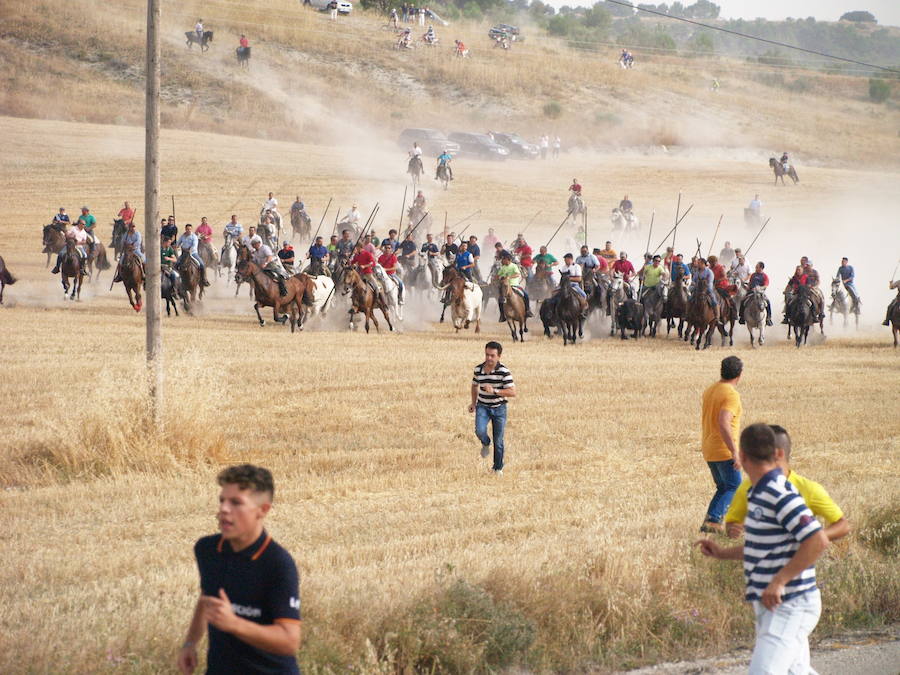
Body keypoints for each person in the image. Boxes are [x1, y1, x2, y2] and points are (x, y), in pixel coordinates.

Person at [696, 424, 829, 675]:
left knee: (764, 672)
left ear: (742, 456)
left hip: (790, 602)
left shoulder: (778, 493)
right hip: (774, 603)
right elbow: (763, 547)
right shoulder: (757, 493)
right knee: (795, 671)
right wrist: (723, 553)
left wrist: (779, 581)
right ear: (777, 454)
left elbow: (816, 540)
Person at [176, 465, 301, 675]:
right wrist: (190, 643)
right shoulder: (207, 550)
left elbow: (289, 641)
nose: (224, 509)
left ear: (263, 510)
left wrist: (234, 623)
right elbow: (208, 596)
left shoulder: (277, 564)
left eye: (236, 503)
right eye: (222, 500)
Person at [725, 425, 850, 542]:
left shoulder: (809, 489)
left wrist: (813, 537)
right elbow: (731, 525)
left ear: (777, 454)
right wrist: (735, 530)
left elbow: (842, 525)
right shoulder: (747, 487)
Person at [698, 356, 743, 533]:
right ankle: (714, 520)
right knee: (734, 487)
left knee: (724, 487)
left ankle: (709, 523)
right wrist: (734, 451)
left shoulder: (711, 390)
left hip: (709, 448)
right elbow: (724, 422)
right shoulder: (731, 394)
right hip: (723, 450)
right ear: (740, 374)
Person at [469, 341, 516, 475]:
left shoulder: (504, 372)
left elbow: (512, 392)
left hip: (499, 408)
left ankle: (497, 468)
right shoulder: (478, 369)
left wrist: (495, 391)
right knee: (479, 431)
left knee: (499, 440)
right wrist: (473, 403)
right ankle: (485, 442)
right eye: (487, 355)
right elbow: (474, 386)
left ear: (499, 356)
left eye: (492, 356)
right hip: (482, 406)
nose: (489, 358)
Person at [496, 252, 532, 321]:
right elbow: (498, 275)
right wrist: (496, 278)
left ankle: (527, 310)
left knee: (526, 295)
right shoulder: (503, 267)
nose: (502, 261)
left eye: (503, 259)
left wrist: (509, 277)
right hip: (505, 286)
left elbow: (517, 274)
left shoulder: (514, 266)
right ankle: (502, 315)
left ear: (508, 259)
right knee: (500, 299)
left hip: (514, 285)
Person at [739, 262, 773, 326]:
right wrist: (746, 286)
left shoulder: (764, 276)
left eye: (757, 267)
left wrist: (759, 288)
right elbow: (750, 283)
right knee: (743, 300)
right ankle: (742, 317)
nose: (755, 268)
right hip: (751, 292)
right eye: (756, 267)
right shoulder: (753, 275)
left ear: (761, 268)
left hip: (760, 293)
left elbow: (766, 285)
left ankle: (768, 318)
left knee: (768, 302)